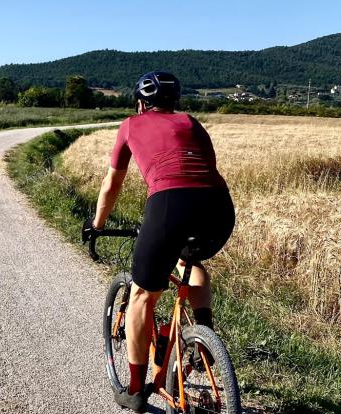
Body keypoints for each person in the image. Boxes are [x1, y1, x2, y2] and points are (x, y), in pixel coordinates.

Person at [84, 71, 235, 412]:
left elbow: (111, 186)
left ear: (140, 103)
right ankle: (202, 338)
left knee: (141, 294)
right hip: (218, 209)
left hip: (170, 205)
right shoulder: (192, 123)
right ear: (174, 102)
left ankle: (136, 390)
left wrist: (96, 224)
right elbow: (201, 170)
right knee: (190, 264)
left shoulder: (129, 125)